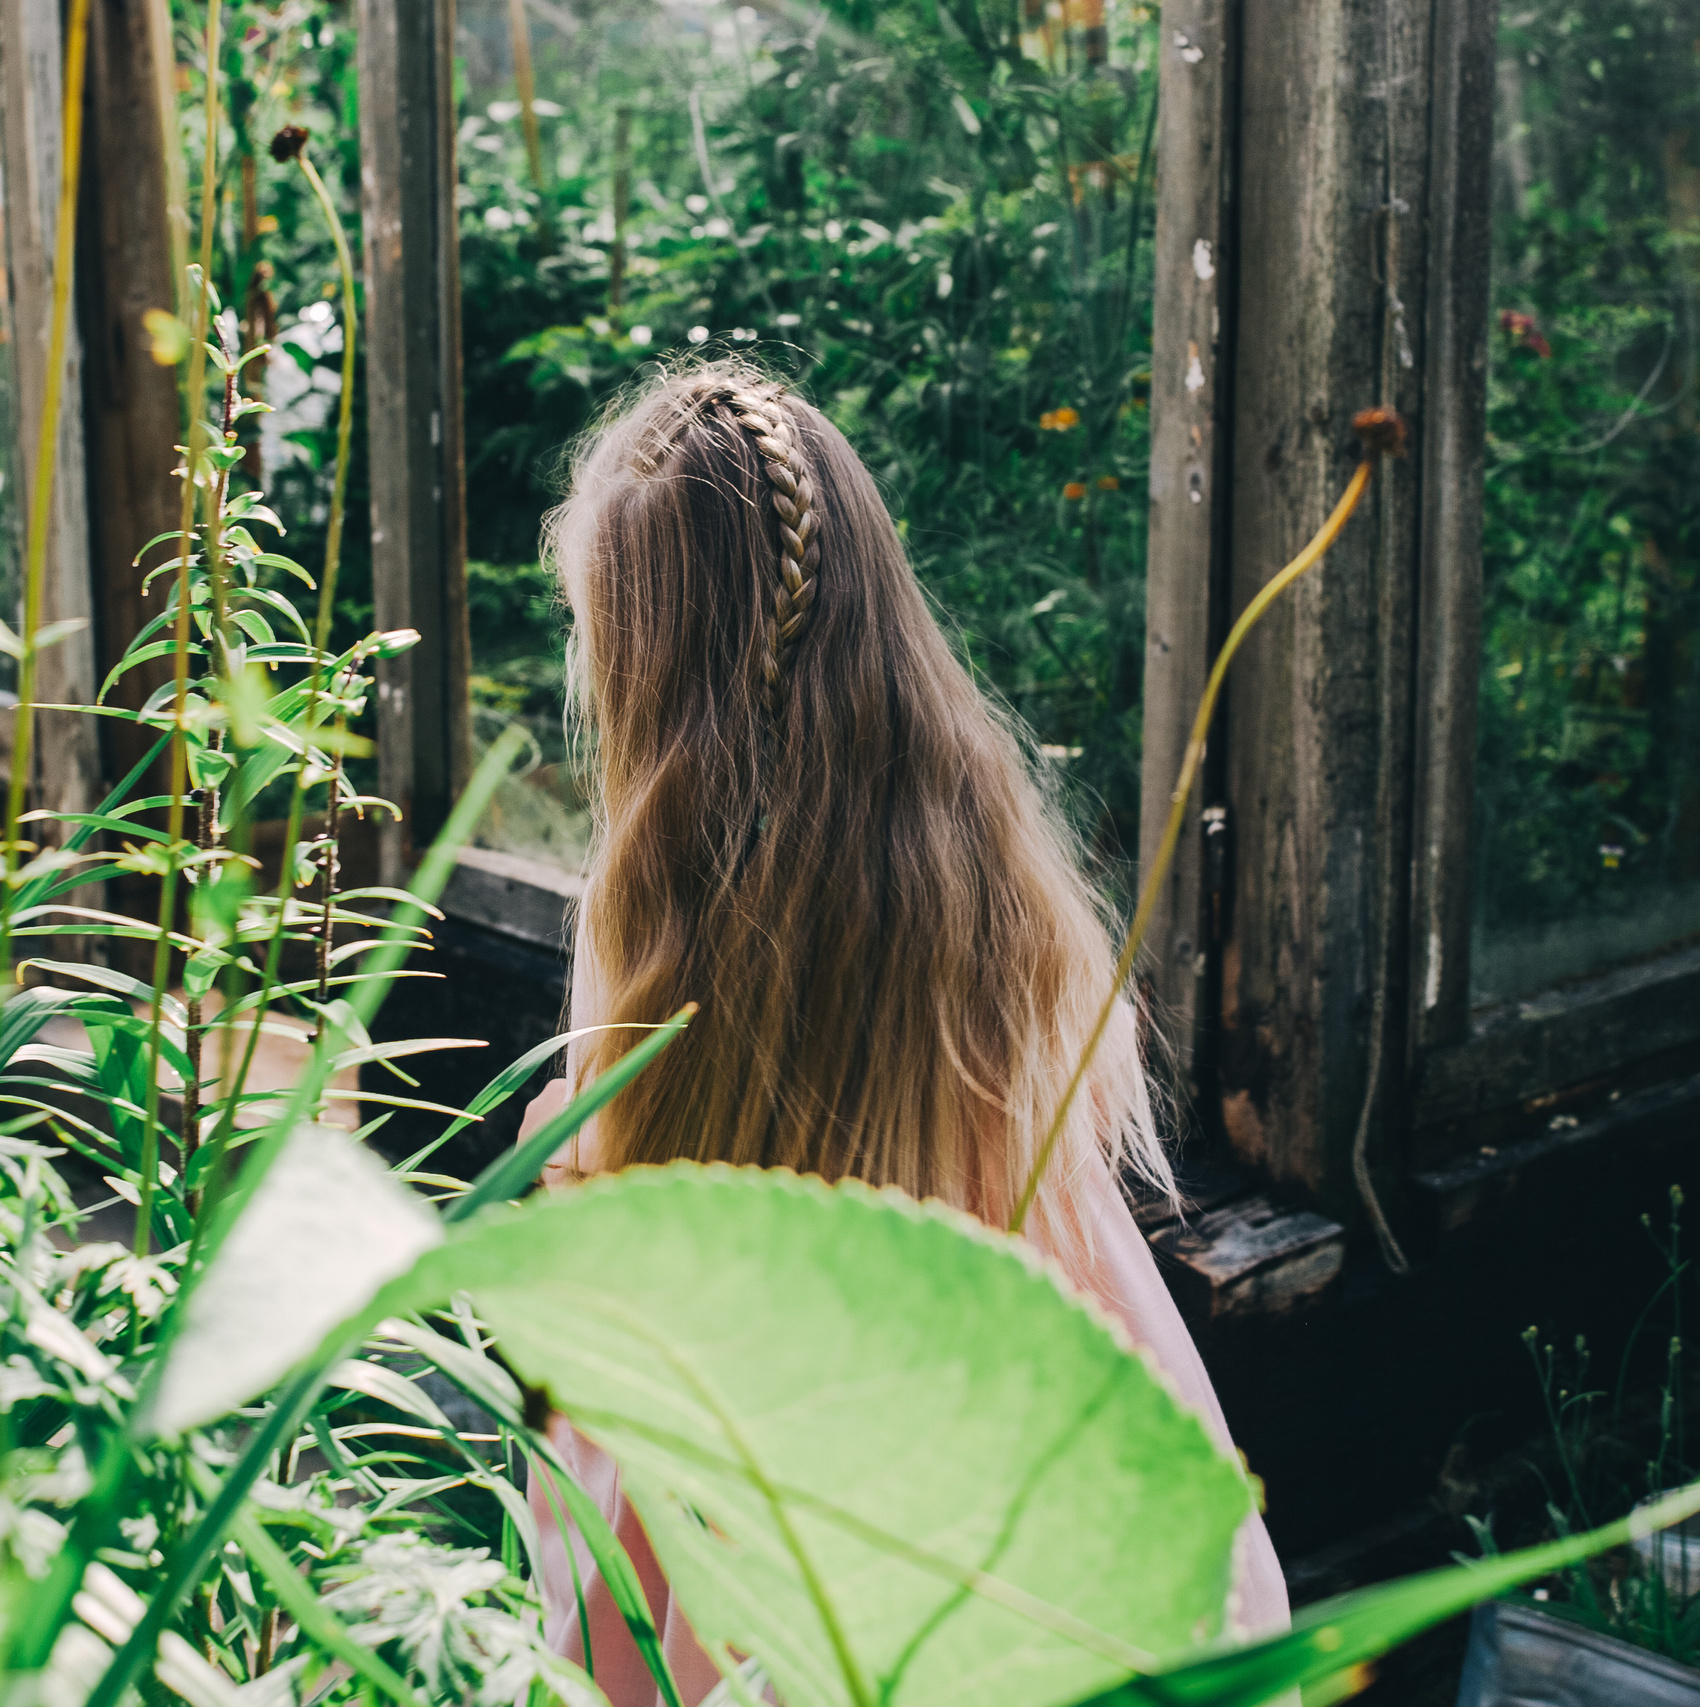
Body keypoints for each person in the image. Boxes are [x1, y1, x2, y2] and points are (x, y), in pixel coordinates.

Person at [514, 357, 1289, 1706]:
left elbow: (645, 1254)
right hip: (1013, 1458)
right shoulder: (997, 874)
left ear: (636, 676)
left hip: (751, 1521)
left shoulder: (646, 920)